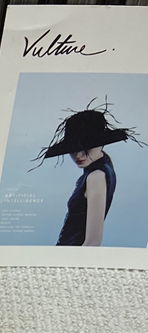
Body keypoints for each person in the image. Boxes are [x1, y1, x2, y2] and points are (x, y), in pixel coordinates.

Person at [35, 102, 140, 246]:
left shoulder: (95, 177)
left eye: (86, 147)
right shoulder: (104, 162)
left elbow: (93, 241)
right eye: (73, 149)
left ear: (101, 143)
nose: (78, 155)